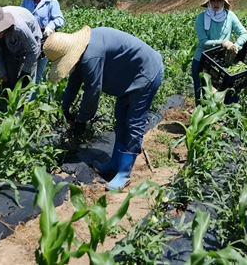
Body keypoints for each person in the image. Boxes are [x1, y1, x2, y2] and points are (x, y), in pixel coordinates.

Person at [42, 26, 164, 191]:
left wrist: (81, 120)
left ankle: (124, 172)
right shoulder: (82, 50)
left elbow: (92, 93)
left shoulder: (90, 56)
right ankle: (115, 163)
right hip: (127, 77)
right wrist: (65, 106)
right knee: (121, 118)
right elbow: (74, 81)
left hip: (147, 72)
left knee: (134, 122)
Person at [192, 0, 247, 106]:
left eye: (219, 0)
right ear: (209, 2)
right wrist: (222, 42)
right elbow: (204, 42)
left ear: (224, 2)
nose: (216, 3)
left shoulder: (230, 16)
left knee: (231, 90)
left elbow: (244, 34)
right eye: (213, 0)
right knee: (201, 95)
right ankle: (201, 121)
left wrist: (236, 46)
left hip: (221, 62)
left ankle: (227, 117)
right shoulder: (201, 18)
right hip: (202, 60)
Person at [0, 5, 42, 99]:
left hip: (29, 42)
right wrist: (5, 80)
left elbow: (32, 51)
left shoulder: (19, 28)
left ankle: (24, 108)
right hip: (7, 43)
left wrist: (24, 74)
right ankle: (11, 104)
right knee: (11, 79)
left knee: (25, 85)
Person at [21, 0, 65, 85]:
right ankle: (26, 99)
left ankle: (34, 101)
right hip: (28, 40)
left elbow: (60, 19)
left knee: (38, 74)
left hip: (44, 41)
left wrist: (50, 26)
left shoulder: (50, 0)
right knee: (27, 73)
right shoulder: (26, 1)